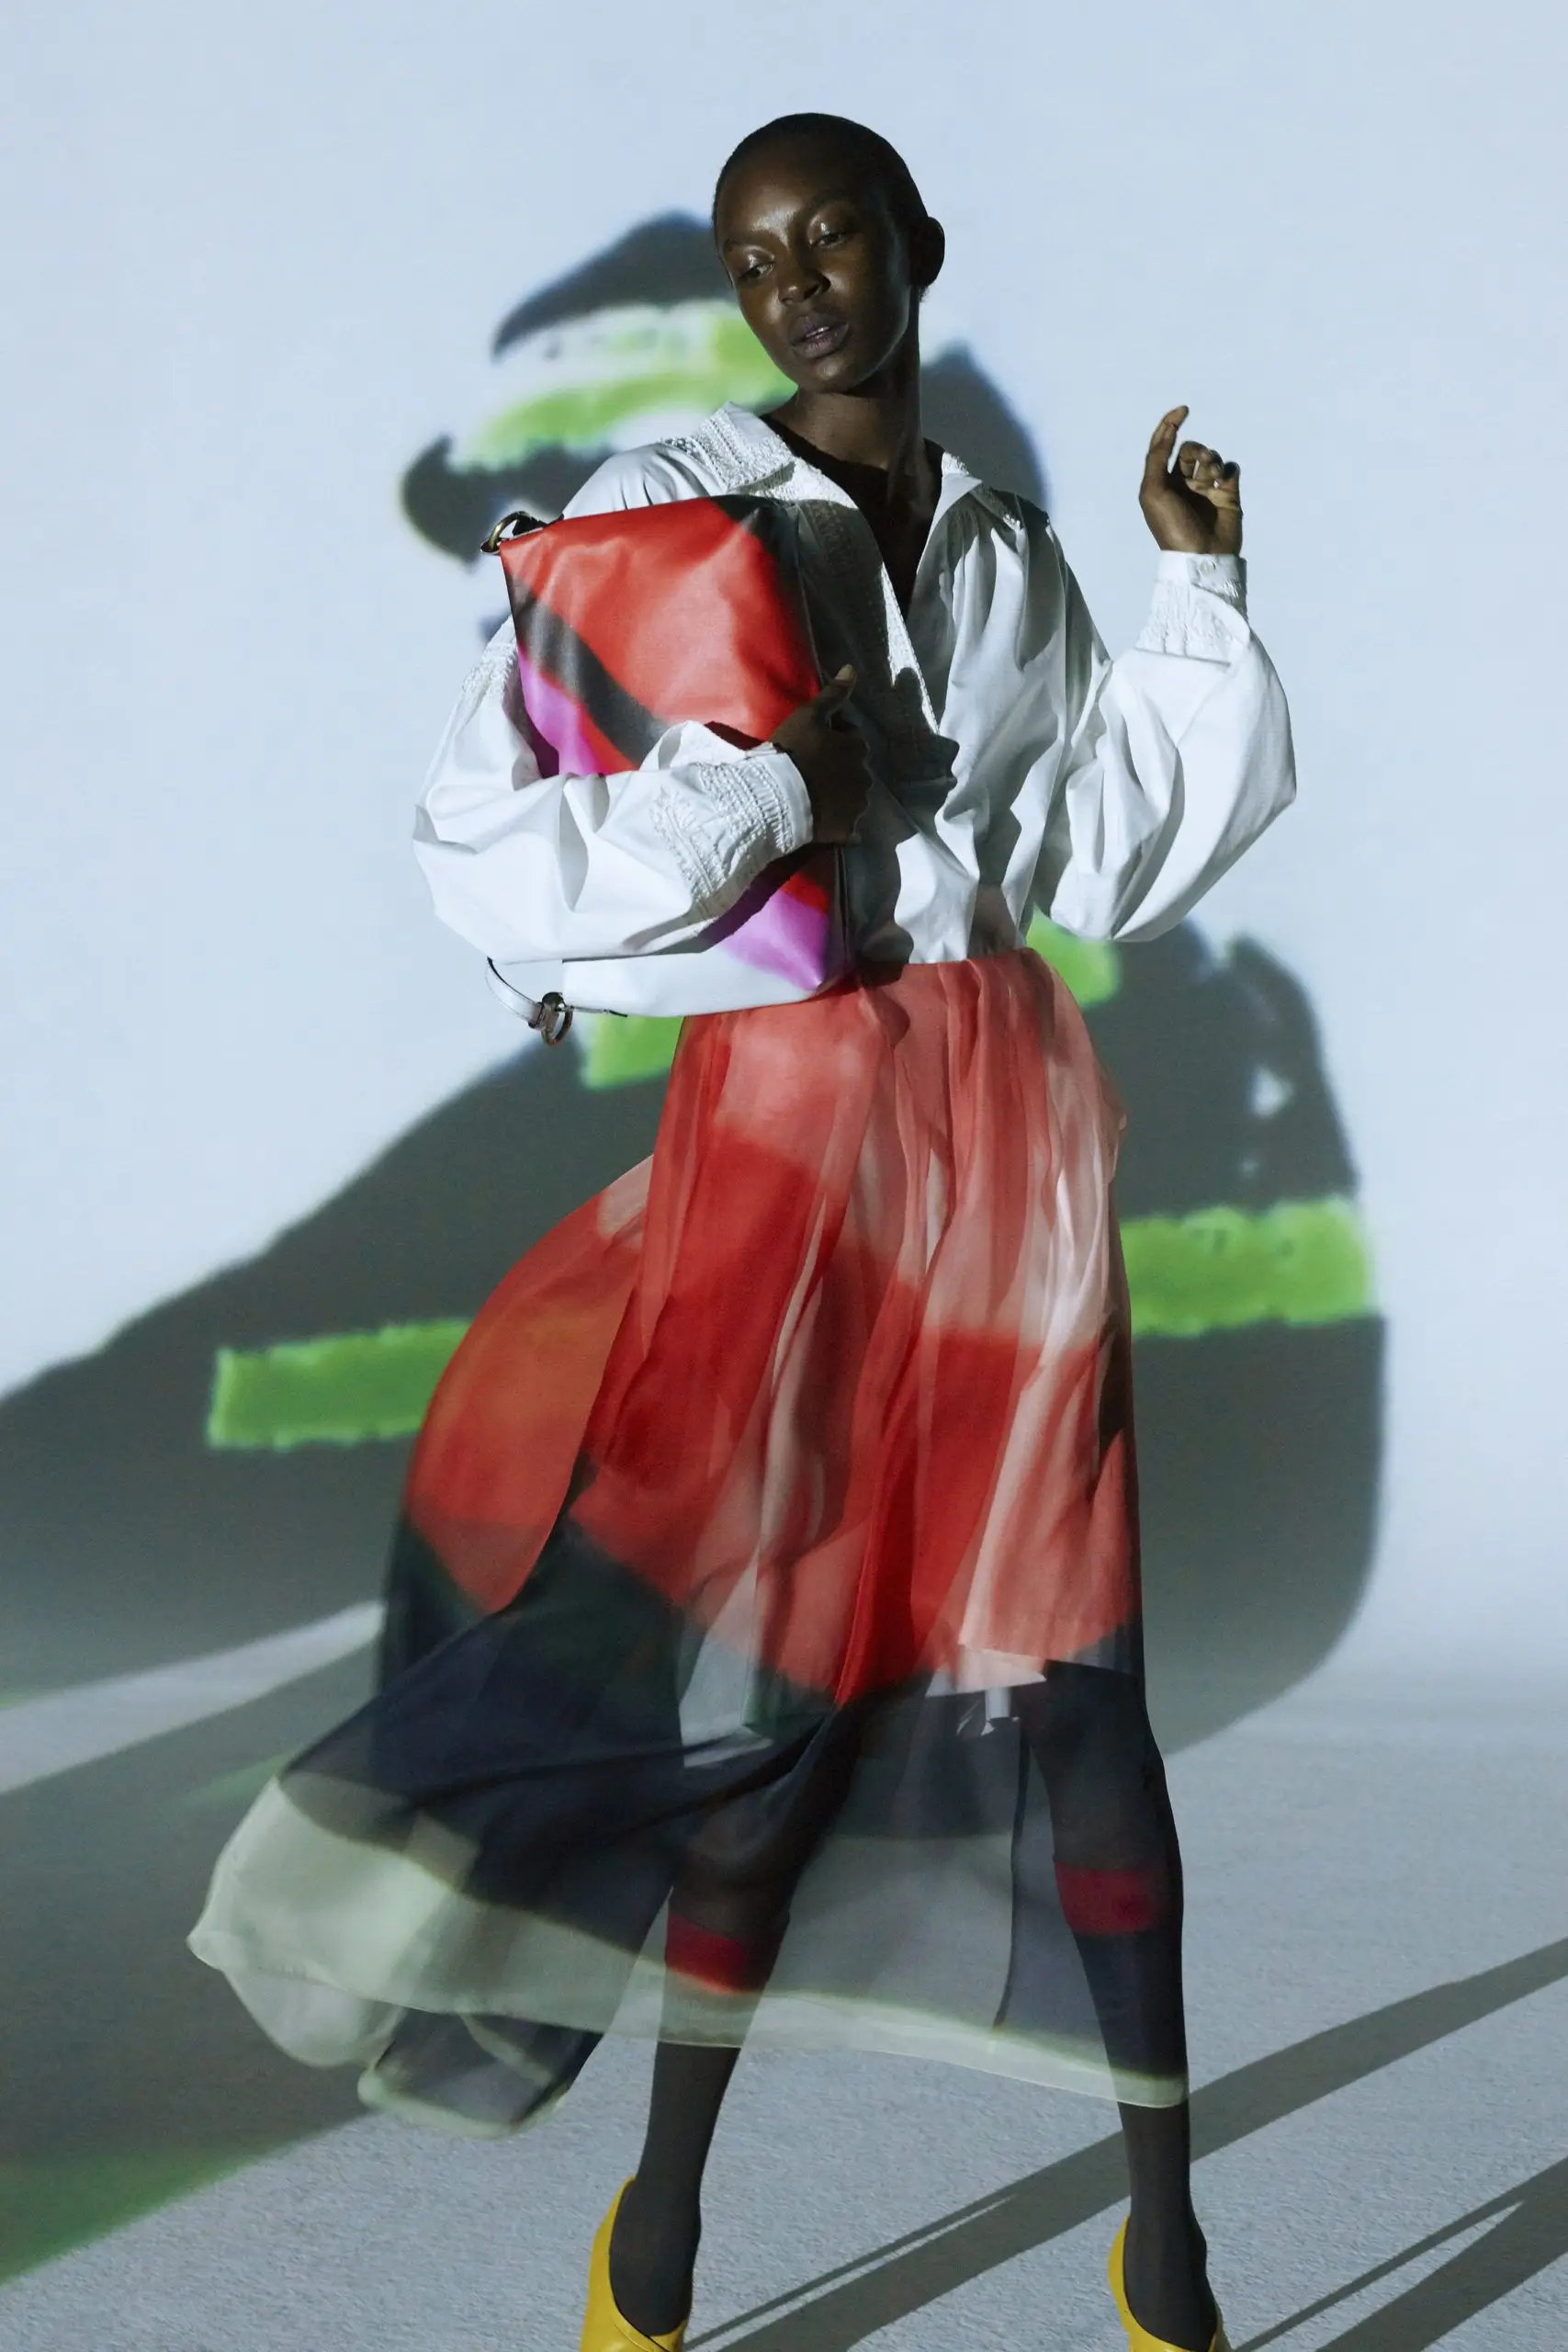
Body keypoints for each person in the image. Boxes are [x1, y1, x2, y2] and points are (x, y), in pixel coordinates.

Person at [190, 112, 1293, 2352]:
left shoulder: (1002, 546)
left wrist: (1202, 591)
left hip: (1004, 1121)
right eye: (756, 256)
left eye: (831, 238)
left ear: (916, 245)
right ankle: (663, 2229)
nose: (795, 284)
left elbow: (1094, 849)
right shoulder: (661, 507)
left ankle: (1167, 2253)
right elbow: (487, 845)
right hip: (787, 1135)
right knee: (766, 1709)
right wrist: (787, 787)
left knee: (1084, 1690)